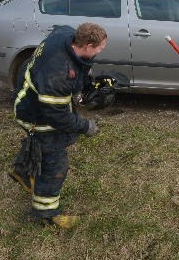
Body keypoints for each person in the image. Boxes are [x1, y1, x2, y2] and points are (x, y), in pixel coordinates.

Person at [9, 22, 107, 229]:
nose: (101, 51)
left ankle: (22, 171)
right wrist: (85, 126)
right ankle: (48, 213)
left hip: (29, 99)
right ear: (88, 45)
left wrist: (85, 83)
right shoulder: (58, 75)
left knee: (42, 144)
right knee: (55, 164)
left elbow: (58, 27)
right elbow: (58, 118)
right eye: (99, 48)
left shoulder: (66, 35)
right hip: (35, 115)